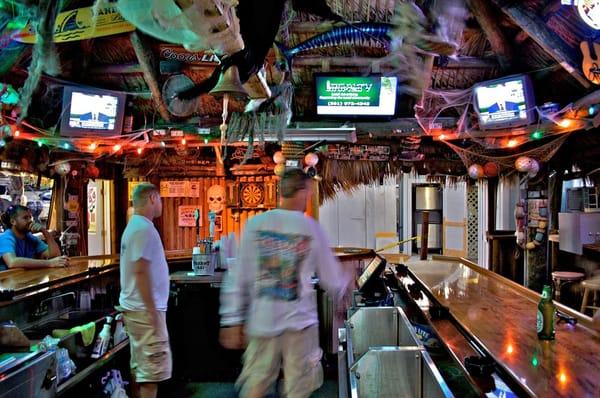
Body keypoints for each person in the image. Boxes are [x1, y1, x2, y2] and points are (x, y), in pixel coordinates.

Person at [219, 169, 351, 398]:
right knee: (298, 388)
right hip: (300, 324)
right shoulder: (311, 228)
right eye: (308, 193)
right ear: (301, 192)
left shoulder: (255, 225)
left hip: (262, 320)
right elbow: (332, 278)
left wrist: (231, 319)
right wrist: (346, 280)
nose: (308, 199)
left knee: (256, 384)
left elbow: (238, 276)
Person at [118, 183, 171, 398]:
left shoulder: (135, 226)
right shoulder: (143, 229)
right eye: (159, 199)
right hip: (145, 311)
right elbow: (140, 271)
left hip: (137, 309)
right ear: (151, 198)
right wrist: (152, 312)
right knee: (151, 373)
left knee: (141, 369)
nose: (161, 204)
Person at [0, 205, 68, 270]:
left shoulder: (30, 237)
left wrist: (44, 232)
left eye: (30, 217)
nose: (30, 221)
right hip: (6, 280)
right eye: (25, 218)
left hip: (24, 279)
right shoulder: (6, 237)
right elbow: (12, 262)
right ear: (13, 221)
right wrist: (49, 263)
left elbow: (55, 255)